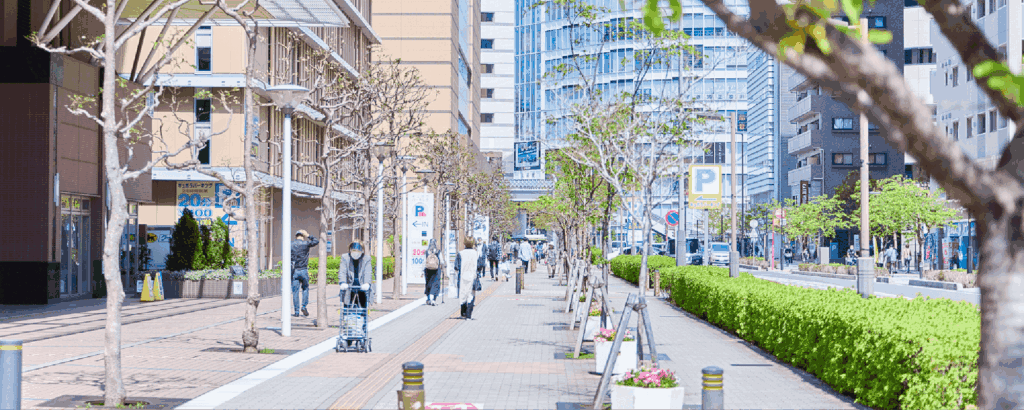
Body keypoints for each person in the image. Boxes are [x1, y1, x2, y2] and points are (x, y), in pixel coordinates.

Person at [290, 230, 319, 317]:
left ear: (295, 236)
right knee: (305, 288)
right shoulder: (306, 244)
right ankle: (303, 306)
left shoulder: (290, 244)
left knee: (295, 292)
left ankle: (296, 311)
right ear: (303, 236)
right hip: (303, 270)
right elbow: (316, 241)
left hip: (294, 271)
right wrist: (308, 235)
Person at [339, 241, 374, 309]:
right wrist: (343, 282)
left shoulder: (366, 259)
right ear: (350, 250)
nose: (355, 252)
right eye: (353, 250)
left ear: (362, 251)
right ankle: (348, 316)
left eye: (358, 251)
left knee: (363, 306)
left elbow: (368, 272)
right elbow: (342, 271)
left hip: (362, 285)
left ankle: (362, 315)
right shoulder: (345, 258)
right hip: (349, 285)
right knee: (347, 305)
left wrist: (367, 283)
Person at [455, 237, 479, 320]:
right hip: (472, 277)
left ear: (464, 243)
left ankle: (463, 313)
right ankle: (468, 315)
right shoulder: (476, 253)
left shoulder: (460, 253)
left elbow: (456, 267)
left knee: (463, 295)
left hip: (462, 277)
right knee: (471, 295)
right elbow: (480, 265)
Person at [423, 239, 443, 306]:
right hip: (436, 270)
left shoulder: (427, 252)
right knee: (436, 284)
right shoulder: (438, 251)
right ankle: (433, 299)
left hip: (428, 270)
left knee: (428, 284)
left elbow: (424, 262)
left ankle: (428, 299)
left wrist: (422, 271)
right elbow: (442, 261)